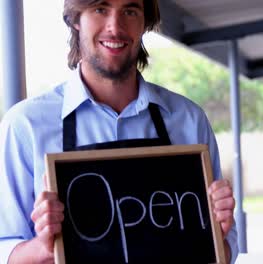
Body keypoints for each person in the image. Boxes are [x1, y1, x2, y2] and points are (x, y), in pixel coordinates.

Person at [0, 0, 238, 263]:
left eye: (130, 10)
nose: (115, 26)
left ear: (144, 22)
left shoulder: (189, 120)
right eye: (100, 8)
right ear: (75, 19)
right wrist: (43, 248)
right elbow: (5, 248)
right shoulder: (25, 125)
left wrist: (216, 236)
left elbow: (226, 249)